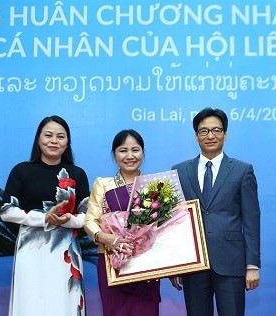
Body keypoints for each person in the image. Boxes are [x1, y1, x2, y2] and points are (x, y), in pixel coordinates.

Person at [170, 108, 261, 316]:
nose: (210, 136)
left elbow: (251, 220)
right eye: (204, 131)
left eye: (216, 130)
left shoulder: (242, 170)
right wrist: (174, 265)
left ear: (225, 134)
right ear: (196, 136)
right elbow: (173, 222)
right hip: (193, 264)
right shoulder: (179, 170)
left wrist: (252, 265)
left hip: (231, 262)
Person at [0, 115, 90, 316]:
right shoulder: (22, 171)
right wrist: (43, 218)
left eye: (60, 136)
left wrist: (69, 220)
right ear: (38, 139)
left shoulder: (77, 174)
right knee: (31, 301)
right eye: (48, 135)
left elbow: (88, 216)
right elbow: (6, 211)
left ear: (67, 143)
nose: (54, 141)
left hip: (66, 251)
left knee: (64, 302)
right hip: (31, 250)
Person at [84, 129, 160, 316]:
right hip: (112, 261)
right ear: (114, 154)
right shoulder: (103, 184)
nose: (129, 156)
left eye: (135, 150)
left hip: (147, 264)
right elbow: (89, 221)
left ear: (143, 152)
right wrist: (106, 238)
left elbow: (165, 227)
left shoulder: (155, 186)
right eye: (123, 150)